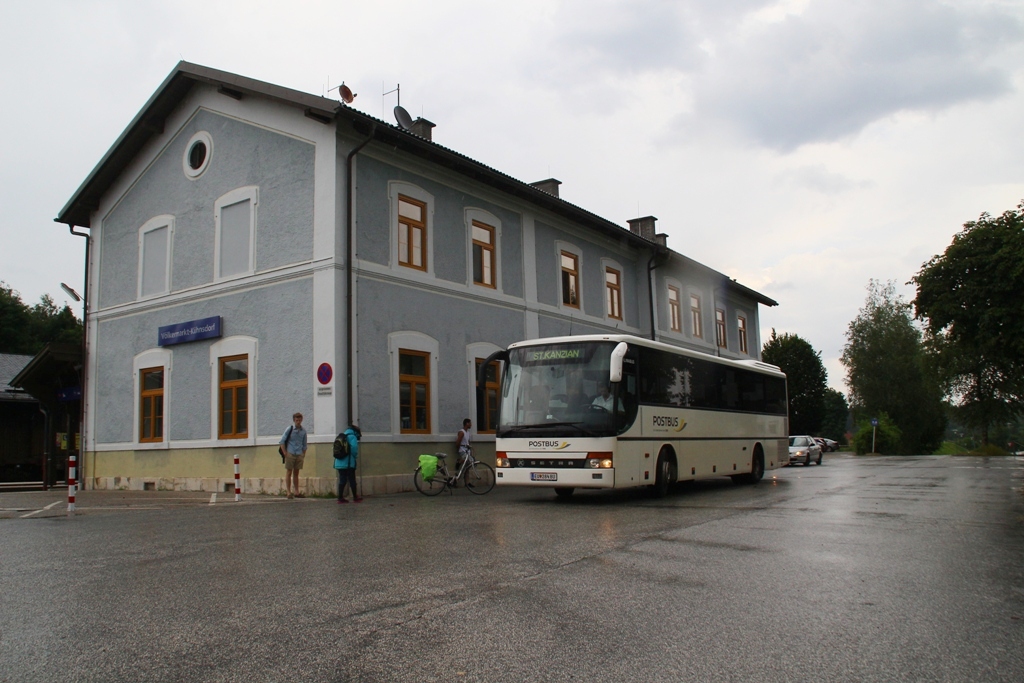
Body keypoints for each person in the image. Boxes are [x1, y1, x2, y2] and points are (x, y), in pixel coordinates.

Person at [279, 412, 308, 499]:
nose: (298, 422)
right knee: (289, 471)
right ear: (294, 420)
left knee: (296, 472)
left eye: (299, 420)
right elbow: (282, 441)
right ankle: (288, 492)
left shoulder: (303, 431)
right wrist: (285, 452)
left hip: (299, 453)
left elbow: (304, 444)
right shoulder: (290, 429)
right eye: (296, 420)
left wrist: (303, 454)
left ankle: (296, 491)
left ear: (301, 420)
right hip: (290, 452)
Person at [335, 423, 362, 504]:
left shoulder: (341, 437)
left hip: (339, 463)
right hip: (349, 463)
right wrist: (355, 457)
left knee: (342, 480)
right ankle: (355, 497)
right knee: (352, 480)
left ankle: (340, 498)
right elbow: (354, 449)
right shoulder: (352, 437)